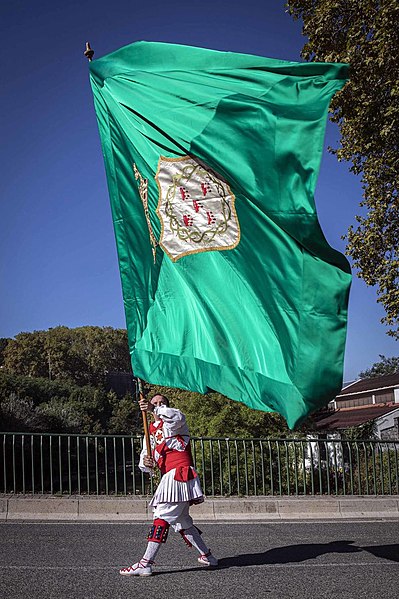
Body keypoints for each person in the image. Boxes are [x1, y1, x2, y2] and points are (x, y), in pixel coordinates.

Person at [119, 393, 218, 576]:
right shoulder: (149, 432)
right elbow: (145, 458)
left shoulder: (175, 421)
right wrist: (146, 464)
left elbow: (177, 415)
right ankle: (207, 556)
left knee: (162, 515)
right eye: (155, 403)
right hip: (169, 477)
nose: (158, 406)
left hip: (178, 474)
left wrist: (153, 408)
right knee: (182, 521)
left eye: (162, 402)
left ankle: (145, 562)